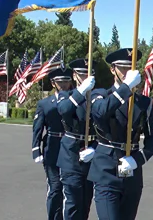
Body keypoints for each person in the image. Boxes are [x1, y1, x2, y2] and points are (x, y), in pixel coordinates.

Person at [88, 48, 153, 220]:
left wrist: (138, 159)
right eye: (123, 67)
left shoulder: (145, 103)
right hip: (106, 171)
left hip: (132, 173)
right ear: (112, 69)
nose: (127, 72)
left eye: (131, 67)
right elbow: (101, 112)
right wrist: (125, 88)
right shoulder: (100, 95)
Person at [56, 58, 106, 220]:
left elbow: (104, 124)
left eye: (89, 74)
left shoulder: (98, 95)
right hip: (71, 157)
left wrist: (95, 149)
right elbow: (64, 110)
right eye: (82, 74)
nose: (85, 77)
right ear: (74, 75)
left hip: (92, 153)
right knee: (73, 204)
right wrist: (82, 91)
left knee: (85, 204)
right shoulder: (66, 95)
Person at [32, 66, 74, 220]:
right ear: (53, 83)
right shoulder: (45, 103)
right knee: (55, 188)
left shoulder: (75, 100)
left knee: (69, 189)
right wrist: (36, 149)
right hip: (52, 147)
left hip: (71, 146)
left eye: (66, 81)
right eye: (60, 82)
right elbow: (38, 127)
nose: (63, 85)